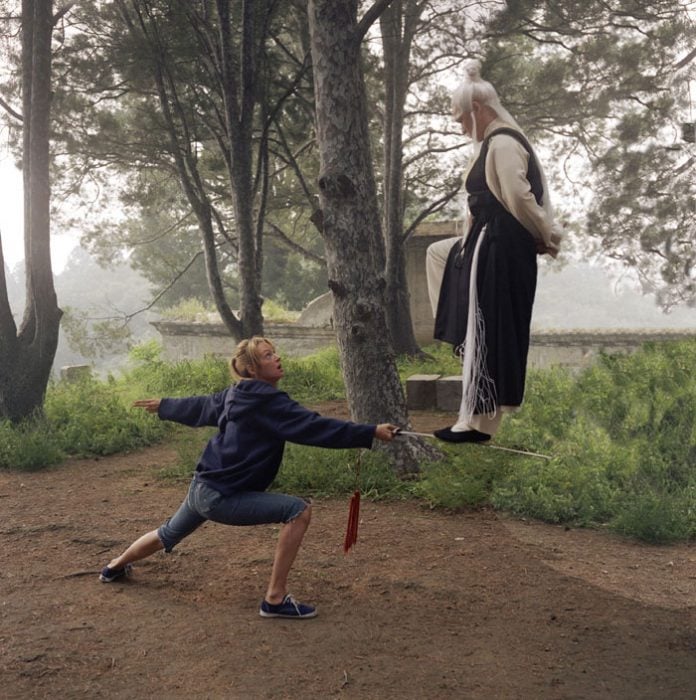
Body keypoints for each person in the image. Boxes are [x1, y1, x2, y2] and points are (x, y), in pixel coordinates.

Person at [99, 336, 398, 619]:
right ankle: (275, 599)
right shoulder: (270, 402)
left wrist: (165, 405)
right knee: (298, 510)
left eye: (274, 352)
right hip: (221, 497)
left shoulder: (235, 393)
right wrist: (369, 431)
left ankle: (113, 567)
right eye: (268, 355)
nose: (277, 357)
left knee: (167, 534)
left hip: (202, 487)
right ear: (253, 368)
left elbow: (201, 406)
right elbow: (314, 427)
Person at [426, 60, 562, 443]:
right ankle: (457, 327)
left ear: (480, 110)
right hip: (490, 238)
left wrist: (547, 235)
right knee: (440, 255)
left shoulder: (502, 142)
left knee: (489, 330)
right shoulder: (493, 142)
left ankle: (476, 422)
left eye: (462, 118)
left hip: (499, 245)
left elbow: (519, 197)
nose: (460, 125)